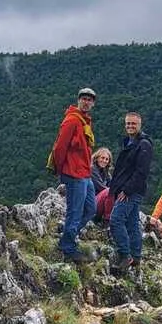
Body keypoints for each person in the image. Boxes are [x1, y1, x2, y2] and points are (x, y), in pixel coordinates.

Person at [50, 88, 98, 263]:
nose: (86, 102)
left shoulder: (85, 121)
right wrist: (60, 170)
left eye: (89, 100)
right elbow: (60, 147)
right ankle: (68, 247)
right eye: (84, 99)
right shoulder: (72, 120)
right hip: (74, 173)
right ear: (78, 100)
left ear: (93, 103)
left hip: (85, 173)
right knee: (75, 211)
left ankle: (67, 237)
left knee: (91, 209)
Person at [108, 112, 153, 274]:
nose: (130, 126)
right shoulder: (129, 142)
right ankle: (136, 255)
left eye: (133, 124)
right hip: (128, 189)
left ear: (140, 125)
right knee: (132, 223)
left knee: (116, 220)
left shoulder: (144, 145)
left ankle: (125, 255)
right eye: (128, 124)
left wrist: (126, 190)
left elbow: (141, 172)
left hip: (131, 190)